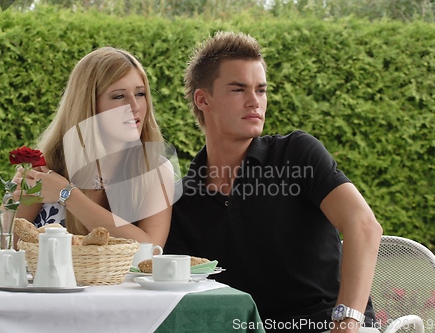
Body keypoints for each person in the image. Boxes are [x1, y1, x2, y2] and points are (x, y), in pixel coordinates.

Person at [164, 31, 383, 333]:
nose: (255, 101)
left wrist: (346, 322)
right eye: (239, 90)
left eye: (261, 90)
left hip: (330, 324)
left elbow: (364, 226)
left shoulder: (297, 153)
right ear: (203, 99)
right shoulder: (183, 201)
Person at [11, 47, 178, 248]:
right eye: (119, 96)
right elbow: (0, 249)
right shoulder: (45, 166)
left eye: (140, 93)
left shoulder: (155, 169)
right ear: (89, 104)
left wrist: (67, 195)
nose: (135, 106)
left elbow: (150, 248)